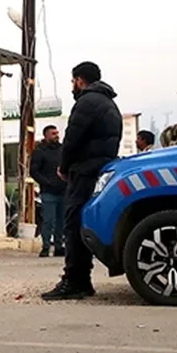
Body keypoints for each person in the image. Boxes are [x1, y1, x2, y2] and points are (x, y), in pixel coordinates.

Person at [42, 62, 121, 301]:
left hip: (84, 171)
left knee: (73, 224)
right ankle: (80, 278)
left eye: (72, 81)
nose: (72, 87)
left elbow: (72, 139)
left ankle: (75, 280)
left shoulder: (86, 102)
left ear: (79, 80)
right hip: (99, 169)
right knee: (81, 222)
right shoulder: (109, 103)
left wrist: (64, 167)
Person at [30, 125, 66, 258]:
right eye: (53, 134)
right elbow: (34, 171)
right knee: (48, 220)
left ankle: (59, 246)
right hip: (48, 192)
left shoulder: (63, 150)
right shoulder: (40, 151)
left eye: (57, 133)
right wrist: (46, 182)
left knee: (61, 221)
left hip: (63, 190)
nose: (56, 135)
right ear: (46, 135)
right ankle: (45, 246)